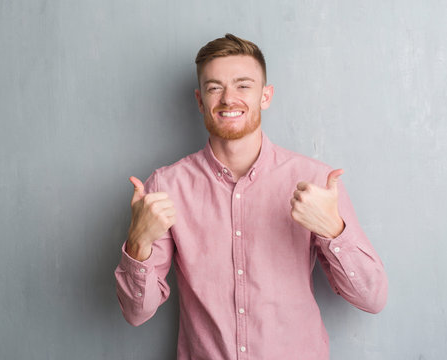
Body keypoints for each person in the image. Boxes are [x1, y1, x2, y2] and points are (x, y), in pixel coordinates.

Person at [114, 33, 388, 360]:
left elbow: (372, 298)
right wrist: (138, 243)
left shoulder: (315, 181)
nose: (229, 99)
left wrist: (333, 231)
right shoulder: (166, 186)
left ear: (265, 96)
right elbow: (136, 313)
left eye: (243, 85)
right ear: (201, 101)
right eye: (215, 87)